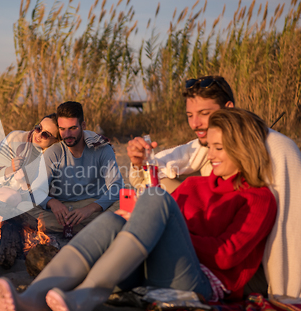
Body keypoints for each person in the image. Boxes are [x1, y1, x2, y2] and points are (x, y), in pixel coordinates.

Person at [0, 108, 277, 311]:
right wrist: (144, 222)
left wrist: (168, 229)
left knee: (156, 197)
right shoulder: (196, 184)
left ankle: (90, 293)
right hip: (155, 271)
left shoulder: (258, 198)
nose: (210, 156)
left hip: (199, 284)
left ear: (243, 148)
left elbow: (225, 257)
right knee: (115, 220)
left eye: (219, 148)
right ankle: (32, 299)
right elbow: (153, 219)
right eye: (209, 147)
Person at [127, 75, 301, 299]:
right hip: (208, 253)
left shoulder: (277, 149)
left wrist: (285, 295)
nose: (194, 124)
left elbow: (290, 228)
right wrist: (139, 159)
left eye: (204, 114)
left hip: (249, 267)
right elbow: (159, 164)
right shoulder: (206, 144)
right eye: (190, 115)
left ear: (228, 109)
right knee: (160, 185)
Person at [26, 101, 123, 233]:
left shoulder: (101, 148)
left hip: (94, 205)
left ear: (83, 125)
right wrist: (52, 202)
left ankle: (74, 228)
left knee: (128, 200)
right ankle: (92, 228)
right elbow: (37, 189)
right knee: (23, 206)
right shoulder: (54, 152)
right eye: (62, 129)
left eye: (72, 128)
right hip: (62, 211)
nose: (67, 135)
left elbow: (116, 187)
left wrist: (91, 208)